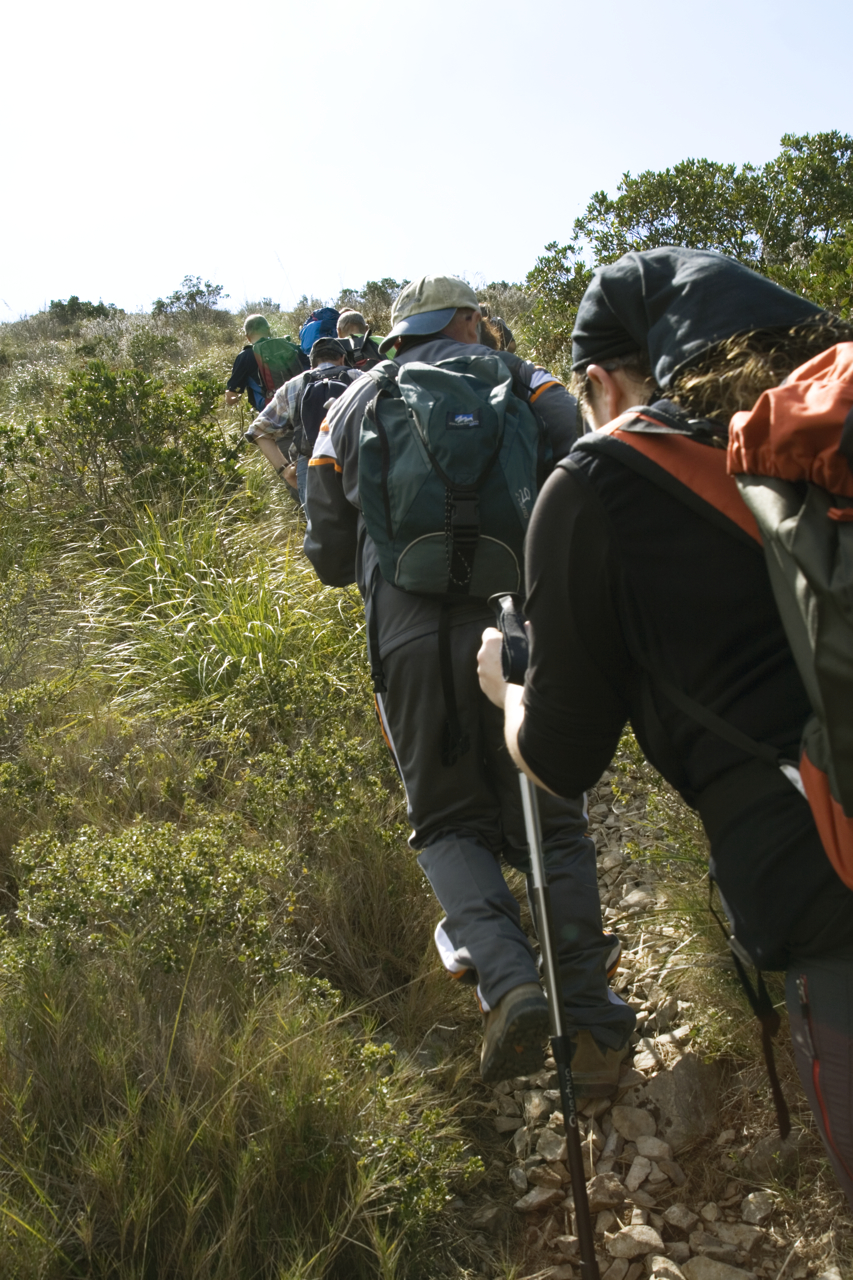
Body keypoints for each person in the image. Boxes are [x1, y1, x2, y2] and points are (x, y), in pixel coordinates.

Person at [477, 246, 853, 1203]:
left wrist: (507, 692)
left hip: (824, 881)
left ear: (601, 384)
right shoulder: (826, 431)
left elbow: (561, 758)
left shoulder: (598, 481)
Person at [304, 274, 635, 1088]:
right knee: (552, 822)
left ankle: (508, 981)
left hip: (408, 643)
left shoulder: (355, 399)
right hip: (520, 628)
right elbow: (591, 468)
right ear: (465, 320)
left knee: (446, 823)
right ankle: (590, 1024)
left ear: (401, 331)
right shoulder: (528, 382)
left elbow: (328, 554)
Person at [245, 336, 360, 508]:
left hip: (310, 466)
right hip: (356, 462)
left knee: (320, 523)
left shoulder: (293, 385)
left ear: (312, 364)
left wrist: (285, 470)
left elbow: (258, 431)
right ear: (342, 359)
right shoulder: (360, 378)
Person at [225, 314, 270, 412]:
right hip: (299, 406)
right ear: (268, 330)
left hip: (272, 411)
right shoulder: (289, 347)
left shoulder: (245, 356)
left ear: (247, 337)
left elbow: (231, 399)